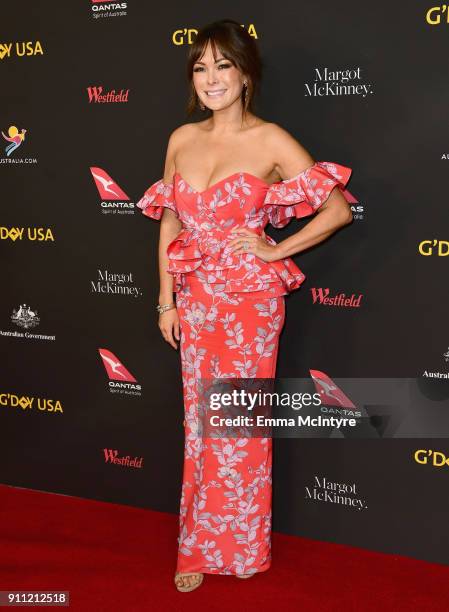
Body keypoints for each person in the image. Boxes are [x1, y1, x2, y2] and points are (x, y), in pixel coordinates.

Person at [137, 18, 353, 592]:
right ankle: (196, 544)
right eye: (200, 67)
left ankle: (239, 548)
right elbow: (171, 220)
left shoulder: (271, 140)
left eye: (222, 65)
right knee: (200, 425)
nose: (210, 78)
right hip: (197, 299)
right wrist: (165, 301)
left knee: (238, 425)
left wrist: (275, 246)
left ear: (245, 74)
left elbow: (336, 210)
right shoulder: (181, 139)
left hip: (251, 304)